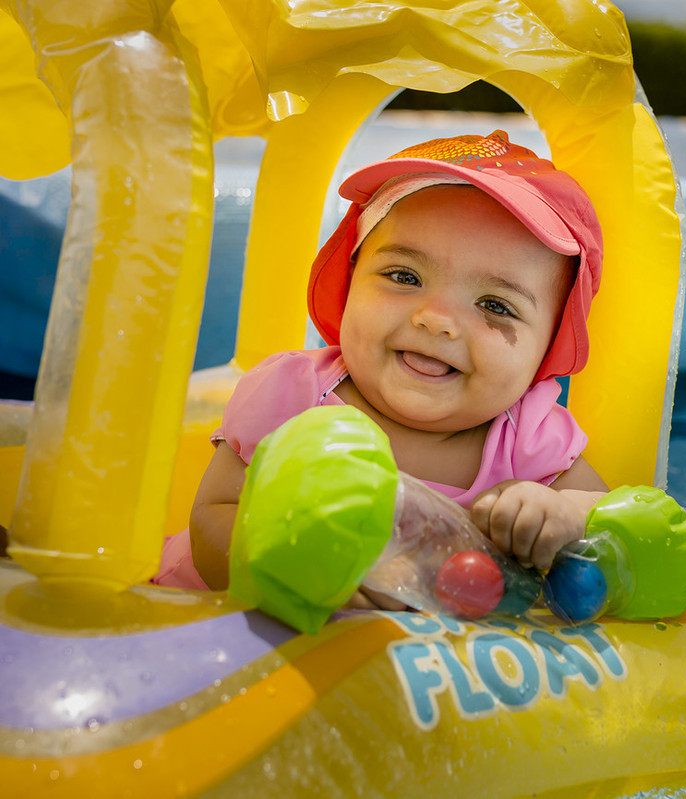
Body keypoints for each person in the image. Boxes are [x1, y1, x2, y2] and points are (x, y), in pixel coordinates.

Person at [153, 131, 609, 607]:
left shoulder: (528, 441)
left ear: (547, 347)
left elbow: (611, 515)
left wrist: (562, 513)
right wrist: (300, 570)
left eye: (495, 305)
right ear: (348, 280)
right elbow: (214, 517)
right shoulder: (295, 396)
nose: (436, 320)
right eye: (404, 277)